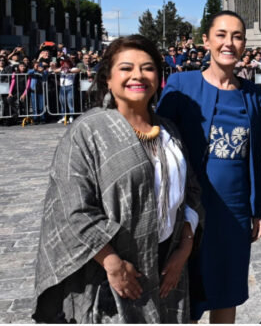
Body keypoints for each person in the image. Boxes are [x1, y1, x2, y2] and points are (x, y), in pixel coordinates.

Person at [32, 35, 203, 322]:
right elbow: (72, 207)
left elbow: (192, 191)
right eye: (126, 68)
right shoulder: (87, 132)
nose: (138, 75)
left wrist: (185, 246)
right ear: (107, 79)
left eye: (148, 68)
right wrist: (112, 263)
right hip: (108, 270)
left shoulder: (169, 131)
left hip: (168, 265)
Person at [157, 10, 261, 323]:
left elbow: (255, 155)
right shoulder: (181, 85)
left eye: (237, 36)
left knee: (227, 291)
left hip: (233, 211)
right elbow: (161, 145)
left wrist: (256, 208)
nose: (229, 43)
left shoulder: (253, 94)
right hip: (190, 210)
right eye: (221, 35)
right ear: (206, 40)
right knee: (184, 291)